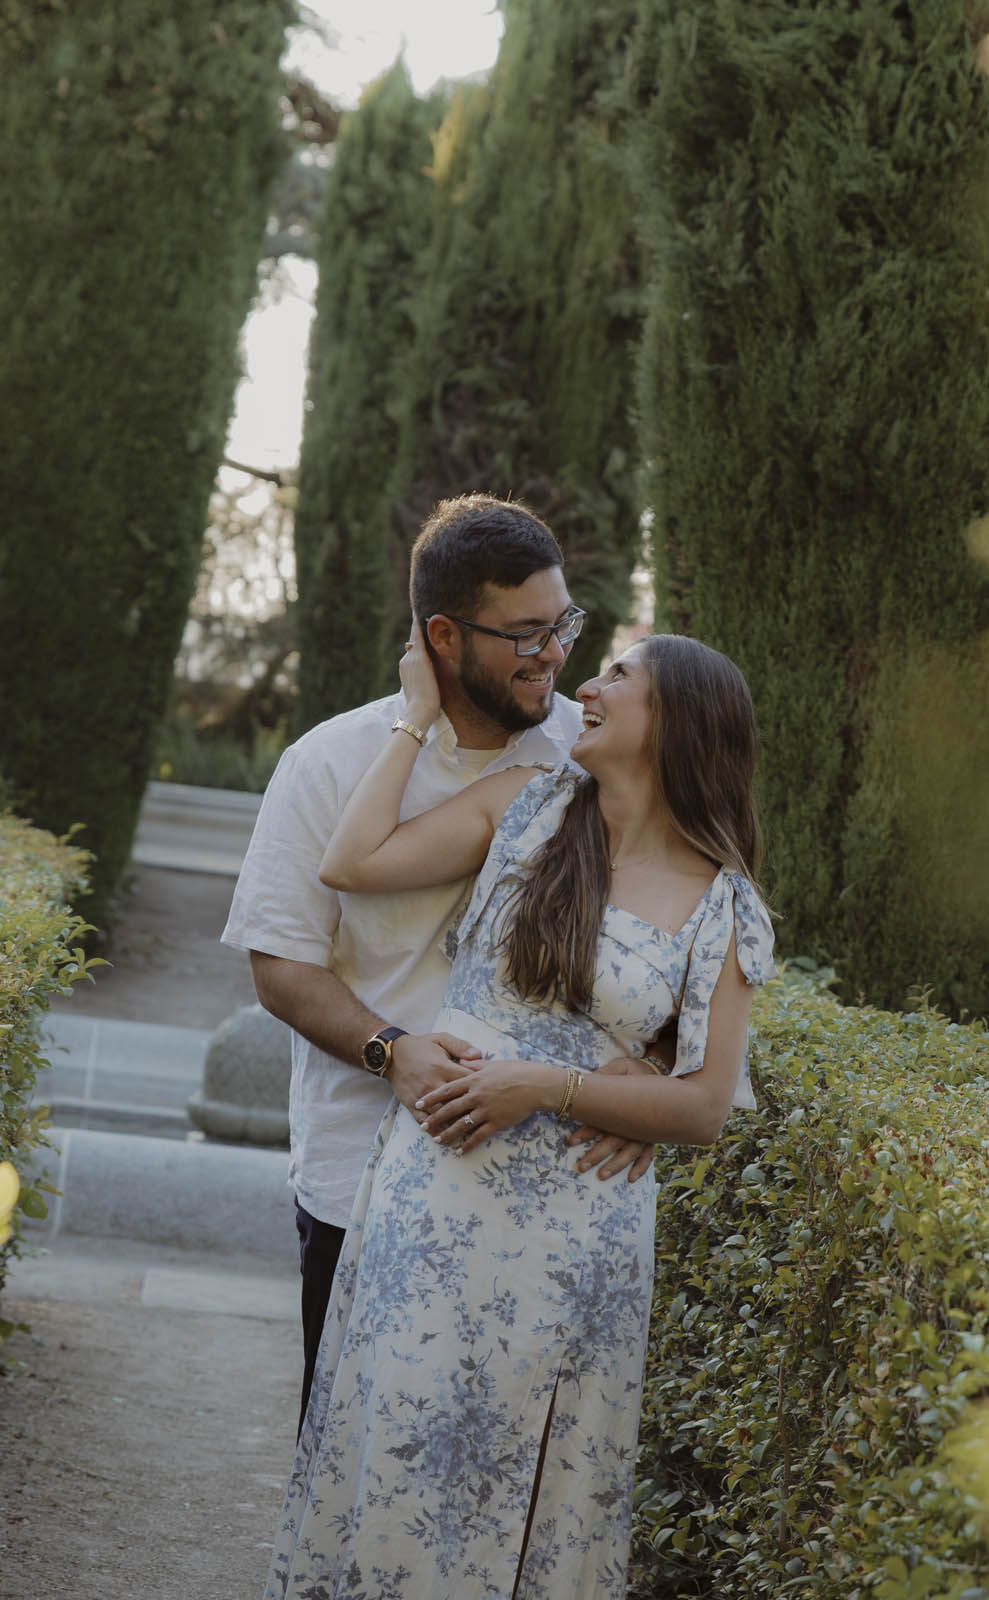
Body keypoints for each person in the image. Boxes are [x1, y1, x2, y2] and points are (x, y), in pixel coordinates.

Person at [263, 625, 774, 1600]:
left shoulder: (725, 906)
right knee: (402, 1461)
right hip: (438, 1195)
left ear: (680, 720)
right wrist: (416, 716)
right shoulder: (527, 806)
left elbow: (704, 1104)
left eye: (619, 674)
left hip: (580, 1234)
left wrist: (550, 1087)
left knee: (527, 1491)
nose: (588, 682)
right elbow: (352, 859)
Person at [221, 495, 662, 1427]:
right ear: (443, 636)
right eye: (527, 633)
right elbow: (281, 966)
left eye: (564, 624)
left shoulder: (585, 763)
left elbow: (665, 939)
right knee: (349, 1454)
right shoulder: (327, 764)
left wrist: (649, 1075)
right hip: (363, 1177)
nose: (554, 655)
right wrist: (394, 1050)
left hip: (540, 1186)